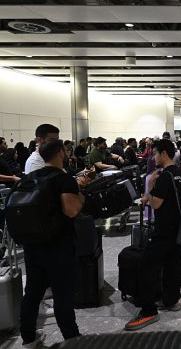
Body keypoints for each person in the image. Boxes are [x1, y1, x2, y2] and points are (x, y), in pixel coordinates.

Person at [20, 140, 84, 348]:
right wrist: (81, 197)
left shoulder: (30, 177)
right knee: (62, 294)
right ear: (60, 153)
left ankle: (28, 338)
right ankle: (72, 338)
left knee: (32, 292)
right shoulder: (63, 179)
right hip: (58, 246)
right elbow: (71, 210)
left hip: (32, 245)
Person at [126, 139, 181, 331]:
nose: (153, 157)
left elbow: (156, 204)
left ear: (164, 154)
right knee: (172, 264)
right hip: (177, 229)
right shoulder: (180, 174)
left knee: (146, 266)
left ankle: (148, 311)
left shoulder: (164, 176)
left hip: (163, 230)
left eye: (155, 153)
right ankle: (171, 300)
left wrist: (150, 186)